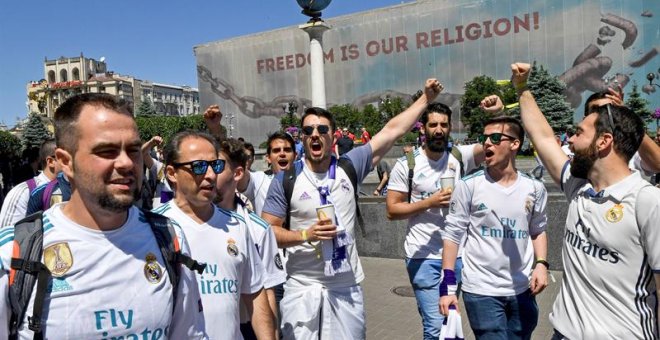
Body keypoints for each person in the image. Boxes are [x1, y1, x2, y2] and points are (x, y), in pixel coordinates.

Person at [0, 93, 207, 338]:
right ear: (65, 162)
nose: (126, 164)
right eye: (107, 151)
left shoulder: (169, 238)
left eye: (133, 150)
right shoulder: (14, 251)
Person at [262, 78, 445, 339]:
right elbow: (268, 231)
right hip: (302, 287)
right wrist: (306, 235)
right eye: (308, 130)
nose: (315, 134)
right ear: (302, 137)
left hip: (345, 286)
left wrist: (425, 99)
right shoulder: (286, 178)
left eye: (322, 129)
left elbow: (391, 131)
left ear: (333, 135)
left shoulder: (350, 166)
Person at [511, 62, 660, 339]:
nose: (569, 139)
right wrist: (522, 88)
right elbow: (542, 137)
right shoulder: (578, 186)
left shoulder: (647, 201)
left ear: (604, 141)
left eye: (578, 133)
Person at [153, 131, 272, 340]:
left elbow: (254, 292)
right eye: (199, 167)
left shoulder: (237, 225)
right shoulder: (155, 228)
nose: (210, 175)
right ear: (172, 173)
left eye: (215, 166)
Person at [439, 115, 548, 339]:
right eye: (484, 138)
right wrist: (447, 288)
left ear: (515, 144)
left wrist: (541, 265)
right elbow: (452, 235)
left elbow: (537, 230)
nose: (487, 143)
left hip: (522, 290)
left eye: (495, 138)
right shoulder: (468, 185)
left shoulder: (535, 188)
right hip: (481, 290)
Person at [385, 102, 484, 340]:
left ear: (450, 128)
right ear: (423, 129)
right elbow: (391, 210)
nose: (438, 130)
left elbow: (497, 143)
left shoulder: (460, 156)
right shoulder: (407, 164)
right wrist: (429, 202)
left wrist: (495, 112)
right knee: (435, 325)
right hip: (422, 256)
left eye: (443, 125)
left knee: (447, 319)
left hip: (457, 255)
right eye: (433, 125)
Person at [215, 138, 285, 340]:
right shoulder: (186, 223)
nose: (208, 173)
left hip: (246, 327)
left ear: (237, 173)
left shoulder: (258, 229)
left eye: (217, 166)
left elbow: (268, 291)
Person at [0, 139, 59, 227]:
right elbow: (6, 236)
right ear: (50, 161)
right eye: (66, 158)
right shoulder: (23, 192)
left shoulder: (75, 190)